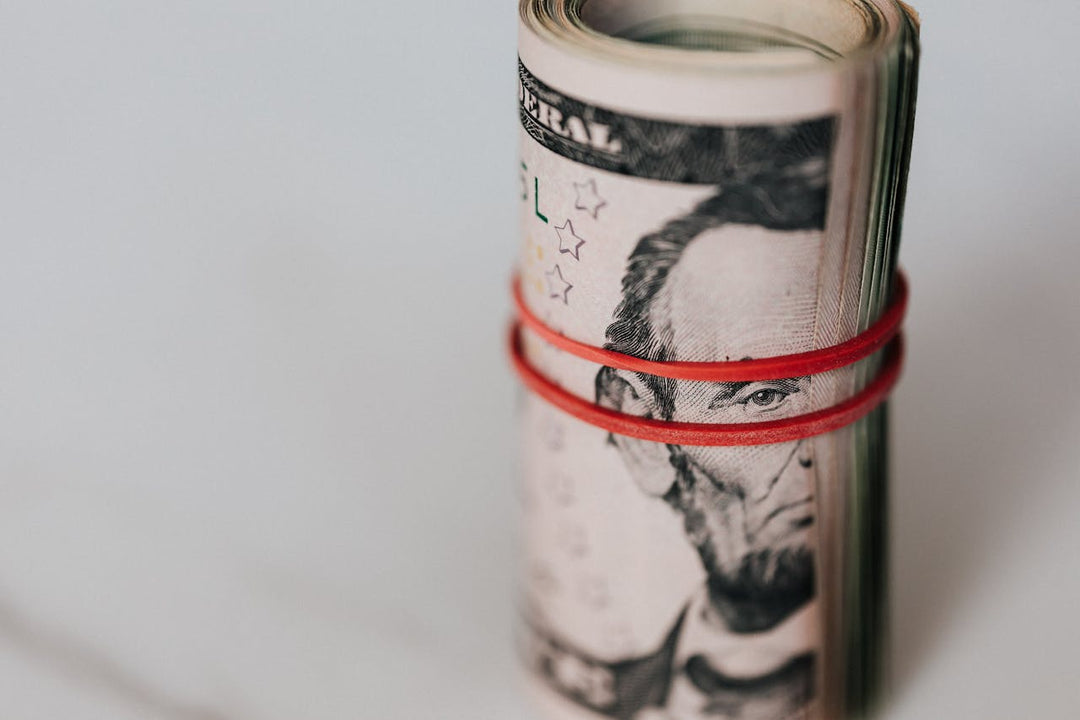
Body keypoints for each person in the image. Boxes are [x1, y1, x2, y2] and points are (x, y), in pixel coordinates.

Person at [529, 161, 831, 719]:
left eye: (844, 390)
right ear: (643, 432)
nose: (821, 448)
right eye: (764, 397)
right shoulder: (616, 687)